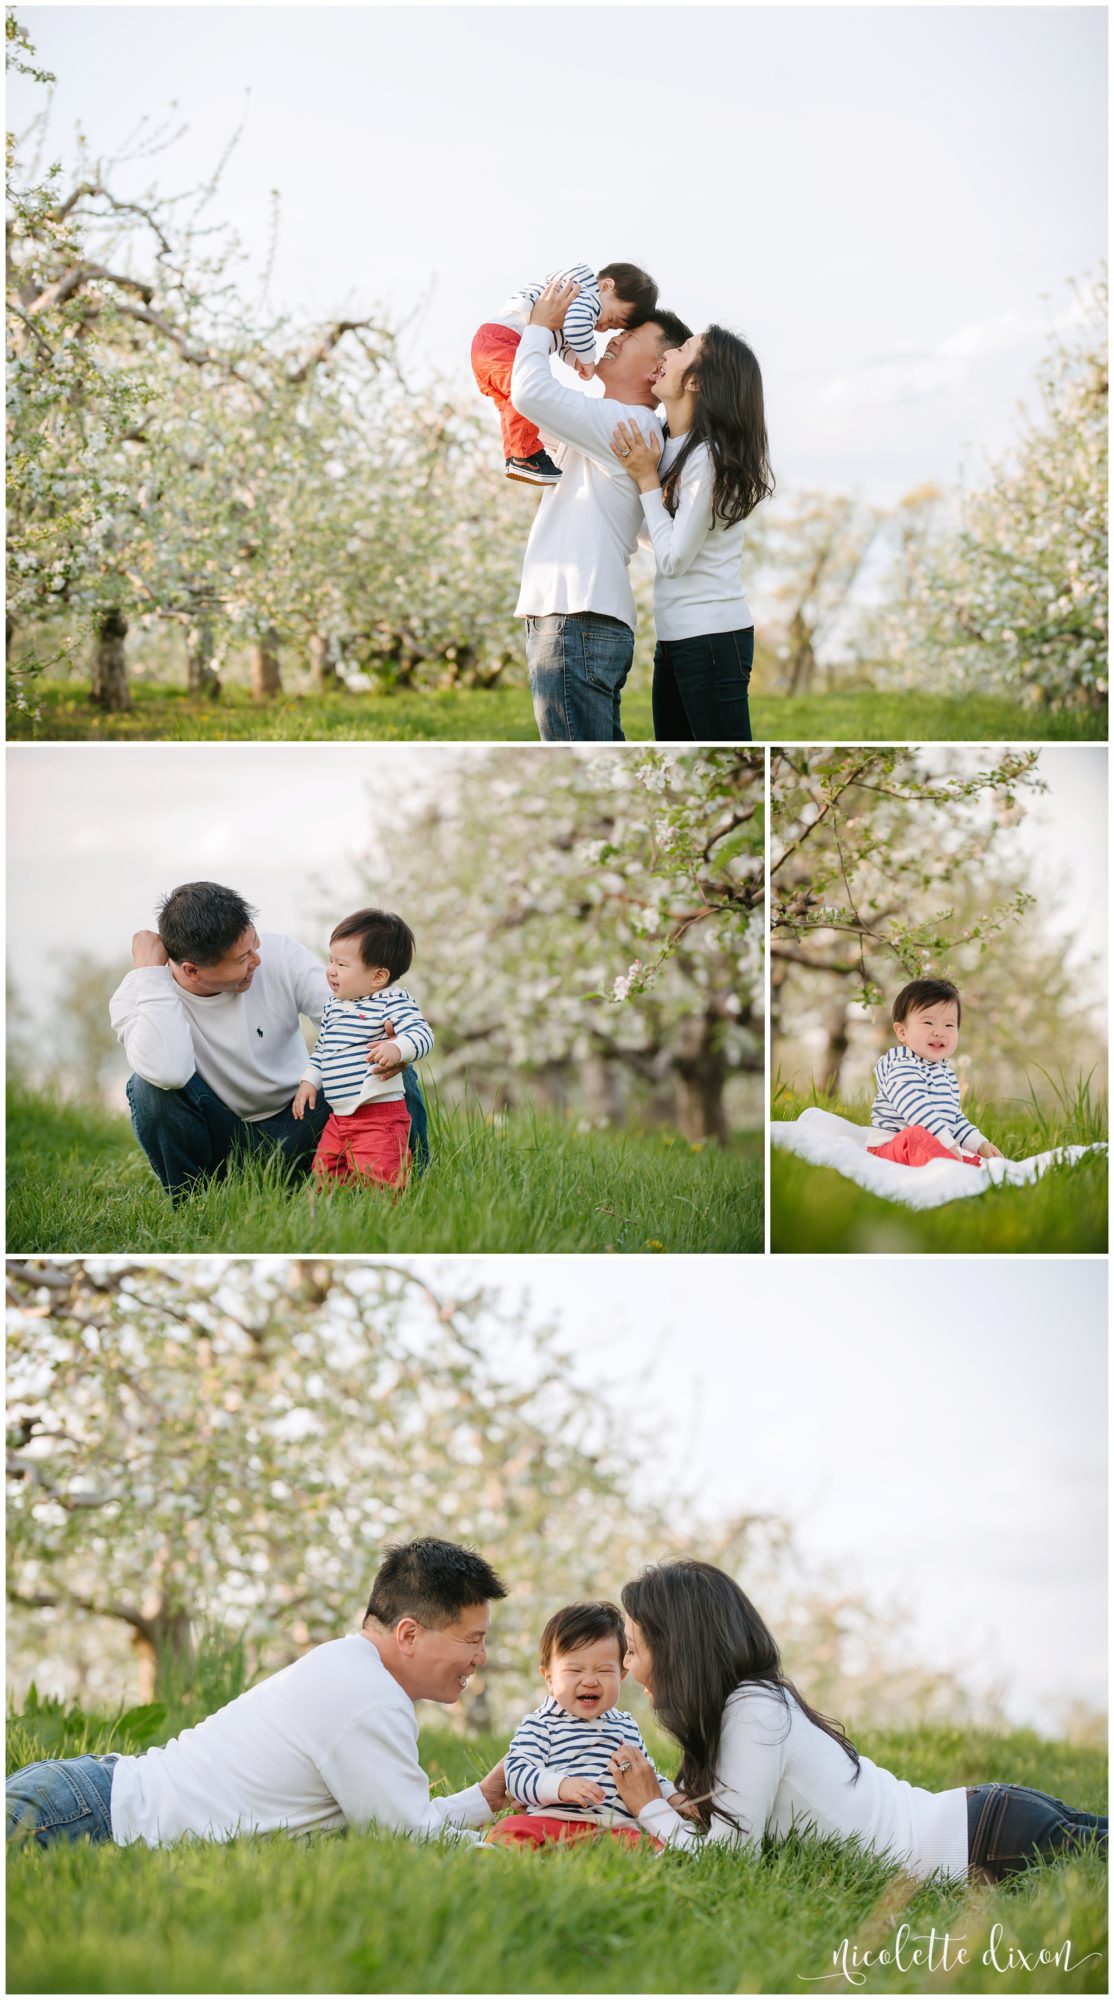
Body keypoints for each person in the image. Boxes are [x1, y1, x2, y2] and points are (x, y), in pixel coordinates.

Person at [608, 1561, 1108, 1883]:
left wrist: (653, 1809)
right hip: (985, 1823)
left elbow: (730, 1862)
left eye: (634, 1649)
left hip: (986, 1842)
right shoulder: (749, 1706)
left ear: (681, 1649)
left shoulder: (752, 1710)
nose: (627, 1667)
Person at [6, 1540, 510, 1850]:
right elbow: (411, 1843)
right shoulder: (367, 1697)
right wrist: (515, 1854)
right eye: (472, 1639)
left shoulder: (351, 1670)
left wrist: (488, 1797)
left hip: (84, 1799)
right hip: (79, 1818)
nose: (480, 1658)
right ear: (408, 1634)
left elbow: (400, 1820)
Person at [108, 881, 429, 1203]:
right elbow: (169, 1073)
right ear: (191, 970)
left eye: (254, 945)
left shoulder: (280, 955)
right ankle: (194, 1203)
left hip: (303, 1119)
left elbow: (345, 1013)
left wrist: (397, 1046)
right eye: (242, 958)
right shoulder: (141, 994)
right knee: (148, 1088)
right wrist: (151, 975)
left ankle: (412, 1186)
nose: (257, 961)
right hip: (219, 1141)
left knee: (387, 1063)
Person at [509, 275, 692, 742]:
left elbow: (529, 393)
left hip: (575, 615)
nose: (612, 338)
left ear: (657, 370)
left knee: (579, 756)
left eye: (629, 338)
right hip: (582, 618)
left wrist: (539, 327)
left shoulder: (624, 424)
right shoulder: (623, 428)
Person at [608, 324, 773, 742]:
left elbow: (675, 560)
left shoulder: (707, 458)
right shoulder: (665, 444)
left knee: (723, 756)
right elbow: (663, 539)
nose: (666, 356)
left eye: (682, 349)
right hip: (675, 638)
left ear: (697, 379)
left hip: (713, 640)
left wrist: (646, 480)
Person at [490, 1600, 678, 1850]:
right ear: (549, 1677)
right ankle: (498, 1853)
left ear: (621, 1676)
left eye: (603, 1671)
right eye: (574, 1670)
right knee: (512, 1828)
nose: (589, 1681)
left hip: (615, 1827)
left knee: (652, 1843)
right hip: (553, 1821)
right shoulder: (541, 1723)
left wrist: (674, 1795)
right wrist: (561, 1786)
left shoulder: (625, 1726)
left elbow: (646, 1776)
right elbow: (517, 1773)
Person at [471, 260, 658, 486]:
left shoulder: (574, 302)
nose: (602, 328)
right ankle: (523, 456)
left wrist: (574, 360)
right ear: (607, 286)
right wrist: (588, 358)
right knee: (522, 394)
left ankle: (522, 453)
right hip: (504, 342)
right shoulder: (586, 294)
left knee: (513, 402)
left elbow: (562, 341)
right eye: (611, 320)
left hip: (493, 344)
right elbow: (576, 328)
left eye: (611, 328)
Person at [293, 907, 433, 1189]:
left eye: (342, 965)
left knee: (384, 1179)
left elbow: (422, 1033)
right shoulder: (334, 1006)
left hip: (378, 1116)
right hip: (338, 1117)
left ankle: (391, 1220)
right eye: (331, 961)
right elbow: (323, 1049)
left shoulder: (390, 1000)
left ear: (378, 977)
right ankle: (333, 1217)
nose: (331, 971)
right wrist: (309, 1080)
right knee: (326, 1176)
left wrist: (398, 1048)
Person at [868, 977, 1004, 1166]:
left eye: (949, 1025)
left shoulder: (946, 1075)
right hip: (891, 1146)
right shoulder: (901, 1064)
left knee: (975, 1160)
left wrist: (979, 1143)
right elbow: (915, 1108)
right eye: (928, 1023)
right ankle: (949, 1167)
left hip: (933, 1144)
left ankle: (977, 1168)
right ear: (902, 1032)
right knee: (916, 1136)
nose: (939, 1032)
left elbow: (954, 1119)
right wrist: (946, 1142)